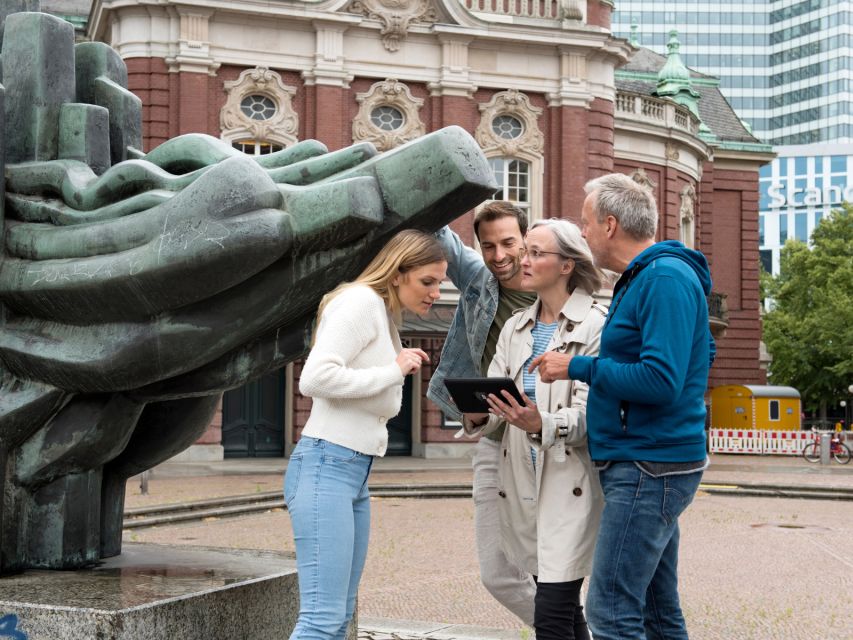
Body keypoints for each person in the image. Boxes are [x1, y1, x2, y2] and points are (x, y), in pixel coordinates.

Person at [530, 173, 715, 640]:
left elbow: (660, 380)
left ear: (610, 225)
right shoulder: (649, 279)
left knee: (611, 611)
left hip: (649, 466)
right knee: (656, 610)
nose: (583, 231)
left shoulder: (664, 278)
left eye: (586, 221)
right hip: (652, 460)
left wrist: (578, 367)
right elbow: (702, 353)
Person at [284, 229, 447, 640]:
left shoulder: (383, 315)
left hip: (352, 475)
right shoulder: (360, 302)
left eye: (440, 283)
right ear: (397, 273)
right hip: (326, 467)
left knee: (339, 617)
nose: (435, 292)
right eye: (427, 281)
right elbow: (314, 378)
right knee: (322, 618)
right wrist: (393, 370)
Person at [461, 218, 607, 640]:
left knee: (553, 610)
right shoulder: (515, 327)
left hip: (569, 482)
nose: (523, 260)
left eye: (535, 253)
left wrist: (540, 422)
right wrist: (476, 415)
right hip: (521, 481)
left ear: (566, 265)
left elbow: (589, 416)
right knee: (557, 607)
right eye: (526, 251)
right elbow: (496, 405)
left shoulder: (597, 326)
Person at [426, 202, 538, 626]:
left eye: (508, 242)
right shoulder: (478, 277)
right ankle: (571, 632)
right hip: (496, 439)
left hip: (551, 439)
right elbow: (442, 239)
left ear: (525, 239)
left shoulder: (555, 285)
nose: (499, 256)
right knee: (497, 573)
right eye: (488, 245)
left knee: (555, 569)